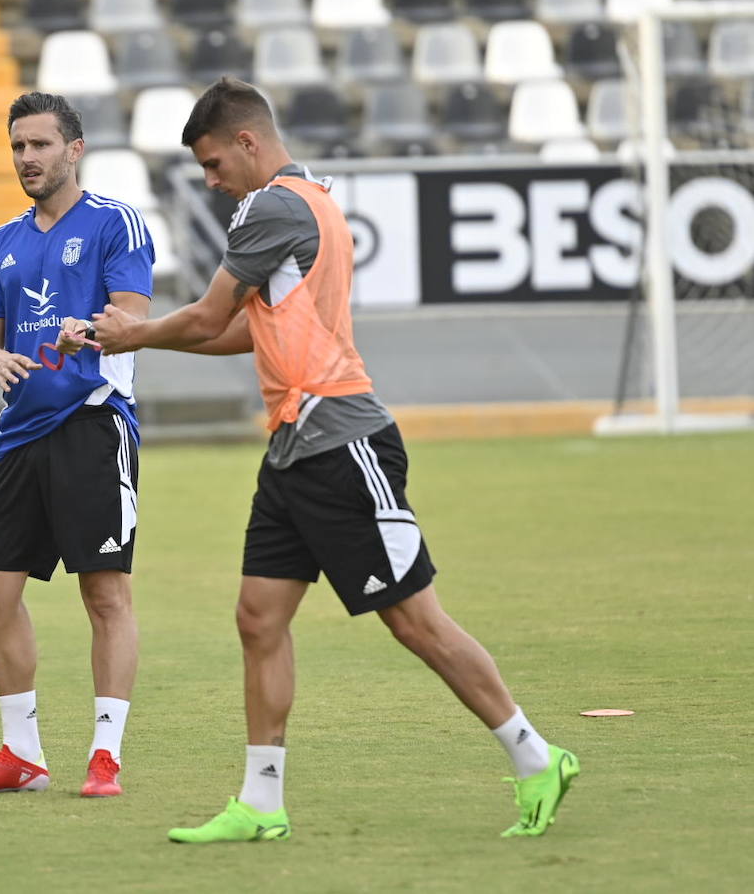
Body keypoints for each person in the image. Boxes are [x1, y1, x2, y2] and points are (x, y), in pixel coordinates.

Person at [89, 77, 579, 841]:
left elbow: (210, 314)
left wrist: (134, 334)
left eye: (215, 164)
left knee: (416, 623)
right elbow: (242, 333)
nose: (212, 182)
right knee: (258, 618)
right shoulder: (308, 197)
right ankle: (261, 802)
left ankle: (536, 754)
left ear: (248, 142)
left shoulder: (272, 207)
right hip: (294, 447)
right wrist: (125, 338)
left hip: (343, 442)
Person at [0, 92, 155, 798]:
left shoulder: (115, 224)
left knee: (104, 593)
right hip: (17, 435)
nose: (26, 159)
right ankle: (22, 753)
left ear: (74, 149)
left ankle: (106, 755)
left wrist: (86, 329)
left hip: (93, 423)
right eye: (17, 147)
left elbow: (132, 316)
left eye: (39, 145)